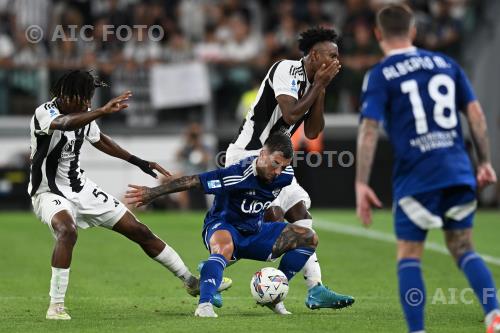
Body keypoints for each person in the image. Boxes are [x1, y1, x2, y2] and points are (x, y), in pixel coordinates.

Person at [28, 70, 230, 320]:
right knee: (67, 230)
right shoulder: (44, 112)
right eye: (83, 99)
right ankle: (56, 306)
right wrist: (102, 111)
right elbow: (64, 124)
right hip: (48, 191)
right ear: (65, 95)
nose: (87, 104)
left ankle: (191, 281)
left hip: (81, 187)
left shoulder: (85, 116)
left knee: (139, 230)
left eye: (89, 99)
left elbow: (100, 140)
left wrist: (139, 161)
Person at [355, 5, 500, 333]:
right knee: (464, 247)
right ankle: (494, 313)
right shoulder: (446, 64)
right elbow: (475, 115)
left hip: (416, 175)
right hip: (458, 169)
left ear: (378, 35)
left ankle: (417, 330)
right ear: (414, 31)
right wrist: (486, 162)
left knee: (409, 254)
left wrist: (361, 183)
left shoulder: (380, 74)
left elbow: (368, 130)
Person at [126, 132, 324, 317]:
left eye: (283, 166)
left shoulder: (285, 174)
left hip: (255, 231)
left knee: (308, 237)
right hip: (223, 227)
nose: (278, 171)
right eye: (275, 164)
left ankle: (274, 292)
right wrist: (152, 193)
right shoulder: (237, 175)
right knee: (224, 246)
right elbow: (193, 181)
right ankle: (204, 305)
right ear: (263, 154)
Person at [226, 26, 354, 311]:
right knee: (263, 224)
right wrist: (319, 86)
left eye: (338, 55)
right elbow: (290, 114)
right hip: (248, 157)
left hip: (274, 160)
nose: (336, 60)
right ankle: (213, 270)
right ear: (313, 55)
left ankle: (315, 289)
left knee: (298, 212)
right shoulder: (285, 69)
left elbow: (312, 130)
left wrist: (320, 89)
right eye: (331, 55)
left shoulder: (315, 83)